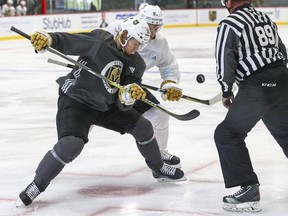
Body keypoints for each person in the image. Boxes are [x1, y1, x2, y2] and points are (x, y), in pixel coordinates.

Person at [16, 16, 186, 207]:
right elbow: (69, 41)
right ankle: (36, 185)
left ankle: (159, 168)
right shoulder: (99, 42)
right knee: (71, 144)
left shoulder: (136, 64)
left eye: (140, 45)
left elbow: (123, 103)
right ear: (124, 35)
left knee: (144, 127)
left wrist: (128, 97)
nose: (137, 48)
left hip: (106, 106)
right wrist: (48, 39)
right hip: (76, 100)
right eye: (135, 43)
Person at [214, 0, 288, 212]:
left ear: (227, 2)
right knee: (286, 133)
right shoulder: (265, 18)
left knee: (227, 134)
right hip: (283, 80)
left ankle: (249, 191)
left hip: (258, 85)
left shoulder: (230, 23)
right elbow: (282, 51)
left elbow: (224, 57)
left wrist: (227, 91)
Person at [106, 3, 183, 168]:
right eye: (150, 26)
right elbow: (95, 49)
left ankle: (159, 153)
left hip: (132, 88)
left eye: (156, 27)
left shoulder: (160, 44)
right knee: (87, 115)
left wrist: (170, 83)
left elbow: (169, 66)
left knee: (160, 115)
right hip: (104, 84)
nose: (152, 31)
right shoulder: (119, 29)